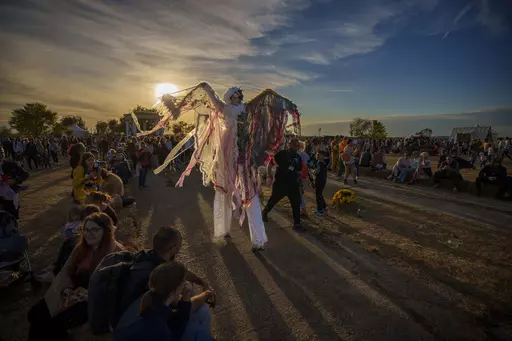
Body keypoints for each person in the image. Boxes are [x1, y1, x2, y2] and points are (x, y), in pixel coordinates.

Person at [154, 83, 298, 251]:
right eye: (234, 96)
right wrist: (205, 87)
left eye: (239, 96)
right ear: (229, 97)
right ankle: (223, 230)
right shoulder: (223, 108)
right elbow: (211, 97)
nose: (238, 98)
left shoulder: (246, 109)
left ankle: (258, 240)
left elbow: (265, 100)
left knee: (250, 196)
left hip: (244, 157)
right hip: (228, 156)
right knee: (225, 193)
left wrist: (285, 103)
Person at [28, 213, 125, 341]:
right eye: (85, 229)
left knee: (51, 325)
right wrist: (66, 290)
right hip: (71, 291)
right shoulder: (81, 249)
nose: (88, 233)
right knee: (34, 315)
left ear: (106, 231)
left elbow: (112, 290)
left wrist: (83, 295)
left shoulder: (116, 254)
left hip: (91, 302)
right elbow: (65, 272)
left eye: (94, 229)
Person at [115, 226, 215, 332]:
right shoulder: (161, 278)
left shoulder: (149, 256)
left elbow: (182, 272)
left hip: (128, 320)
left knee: (189, 290)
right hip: (145, 329)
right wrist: (207, 294)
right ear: (173, 248)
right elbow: (184, 307)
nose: (182, 244)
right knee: (203, 312)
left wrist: (202, 282)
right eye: (180, 242)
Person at [113, 262, 214, 341]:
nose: (186, 283)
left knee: (197, 321)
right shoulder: (159, 328)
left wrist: (186, 300)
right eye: (184, 281)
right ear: (175, 289)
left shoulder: (152, 299)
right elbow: (174, 332)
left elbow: (176, 325)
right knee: (196, 331)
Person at [262, 138, 304, 231]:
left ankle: (297, 224)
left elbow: (299, 172)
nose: (296, 147)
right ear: (289, 145)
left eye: (297, 146)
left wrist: (301, 185)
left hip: (293, 185)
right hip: (280, 184)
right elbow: (270, 164)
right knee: (273, 201)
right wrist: (269, 176)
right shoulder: (281, 154)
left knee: (296, 203)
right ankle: (265, 212)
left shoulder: (298, 157)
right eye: (294, 145)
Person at [313, 150, 328, 216]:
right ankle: (324, 207)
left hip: (319, 181)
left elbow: (316, 172)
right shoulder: (324, 163)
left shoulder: (319, 163)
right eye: (318, 154)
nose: (318, 155)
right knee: (320, 194)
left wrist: (313, 172)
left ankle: (320, 210)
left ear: (323, 156)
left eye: (320, 155)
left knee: (318, 195)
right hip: (323, 181)